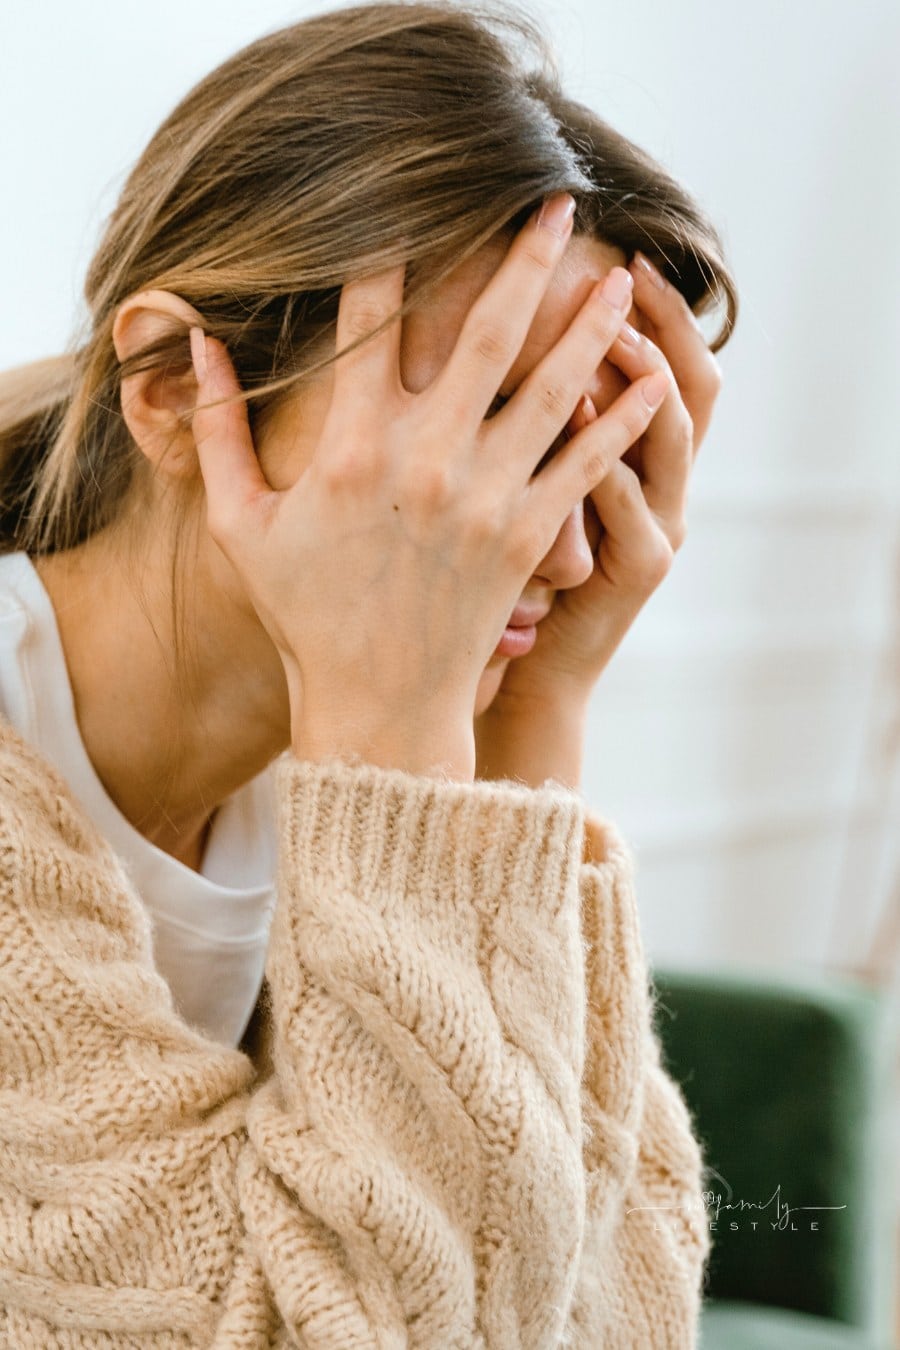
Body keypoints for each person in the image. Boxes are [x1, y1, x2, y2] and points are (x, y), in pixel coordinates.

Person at [0, 3, 736, 1345]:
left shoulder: (380, 736)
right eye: (479, 422)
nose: (555, 540)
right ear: (171, 386)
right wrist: (408, 747)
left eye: (600, 450)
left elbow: (612, 1318)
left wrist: (533, 728)